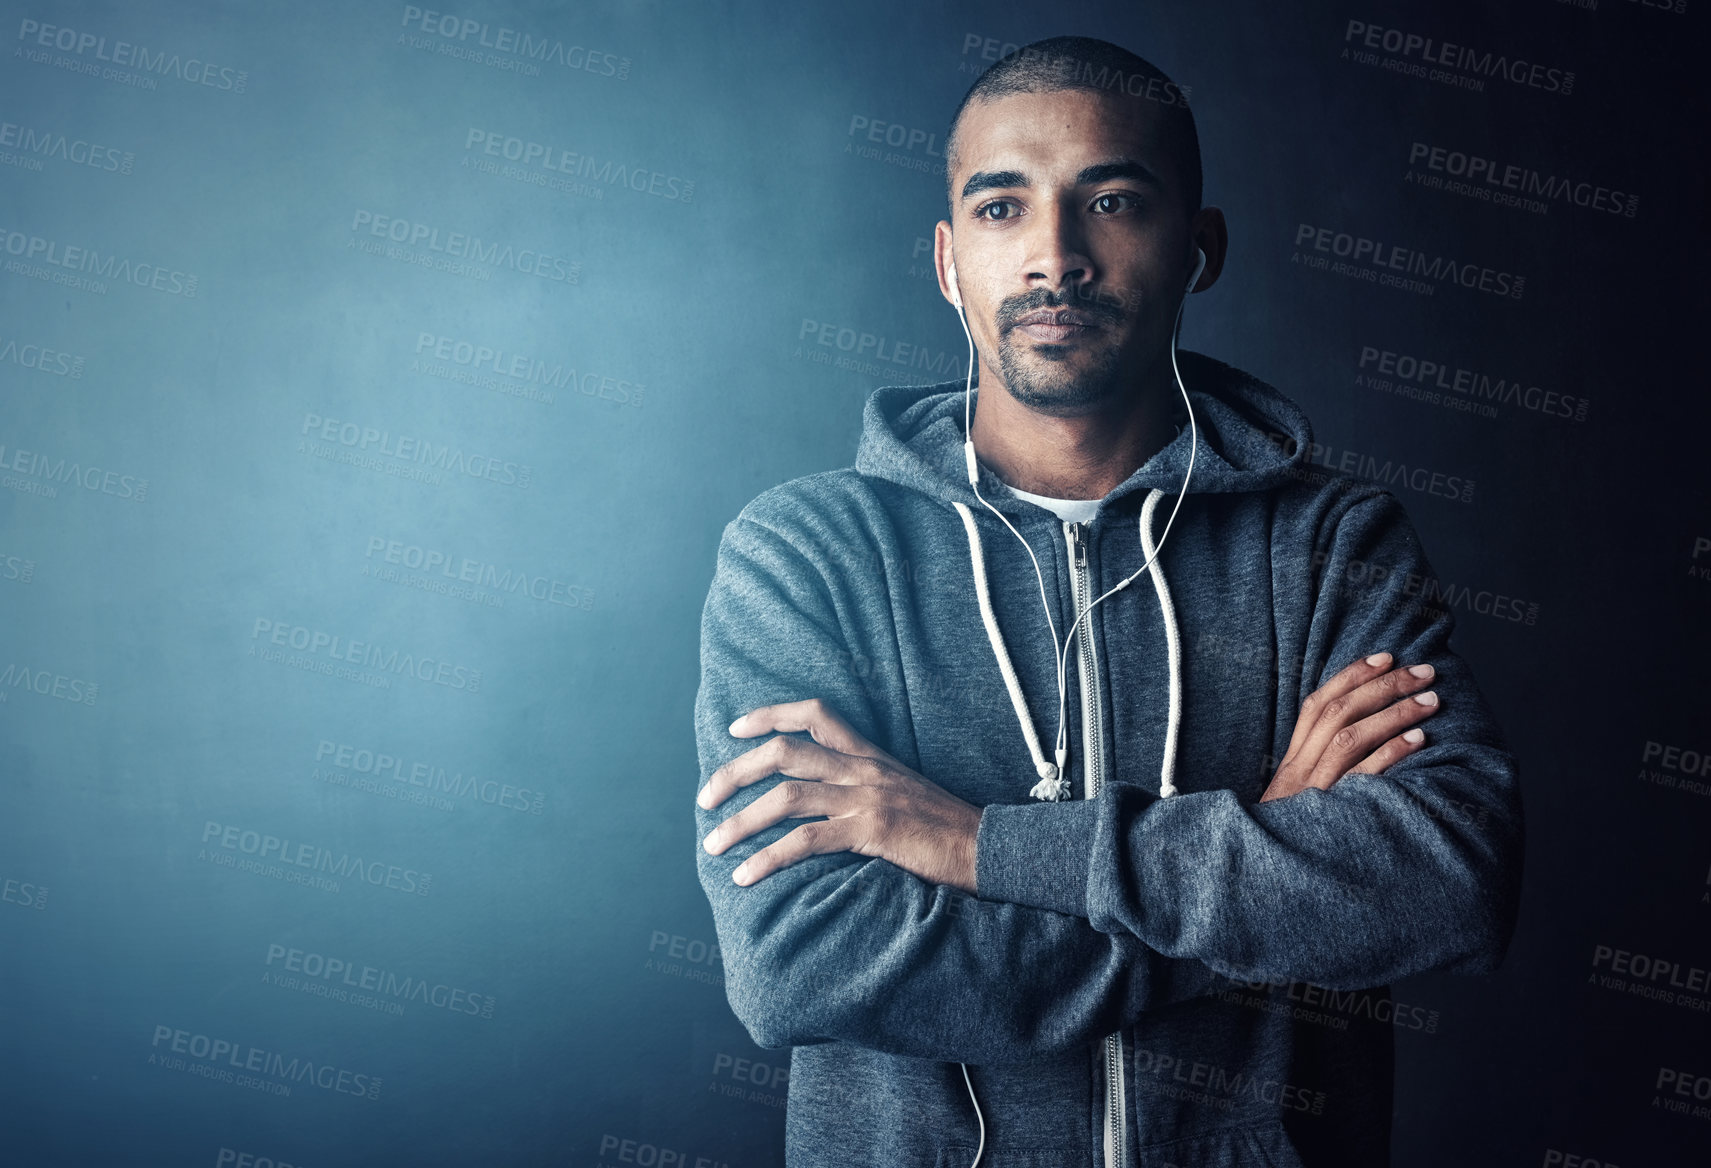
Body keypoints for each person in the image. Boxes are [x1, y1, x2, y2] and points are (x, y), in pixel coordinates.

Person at [692, 35, 1523, 1168]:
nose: (1054, 256)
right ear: (947, 262)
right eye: (1000, 210)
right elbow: (803, 963)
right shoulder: (809, 554)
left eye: (1114, 200)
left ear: (1198, 247)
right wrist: (1257, 865)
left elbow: (1444, 878)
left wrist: (979, 846)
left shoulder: (1331, 541)